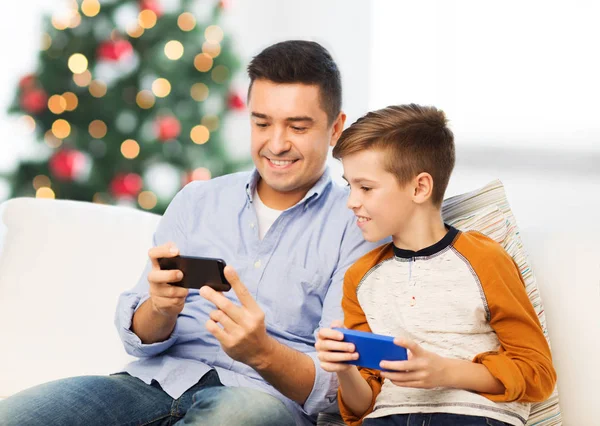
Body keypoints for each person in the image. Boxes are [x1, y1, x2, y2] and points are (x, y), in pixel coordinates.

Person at [0, 41, 385, 426]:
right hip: (154, 382)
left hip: (259, 399)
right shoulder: (198, 200)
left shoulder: (359, 225)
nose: (277, 144)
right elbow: (137, 335)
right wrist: (160, 309)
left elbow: (341, 388)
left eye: (297, 127)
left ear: (336, 128)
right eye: (262, 123)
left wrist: (262, 352)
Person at [315, 104, 557, 426]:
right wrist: (344, 368)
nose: (351, 201)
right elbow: (362, 407)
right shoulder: (360, 278)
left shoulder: (485, 259)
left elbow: (536, 373)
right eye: (350, 186)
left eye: (366, 188)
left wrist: (445, 371)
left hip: (472, 416)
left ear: (420, 187)